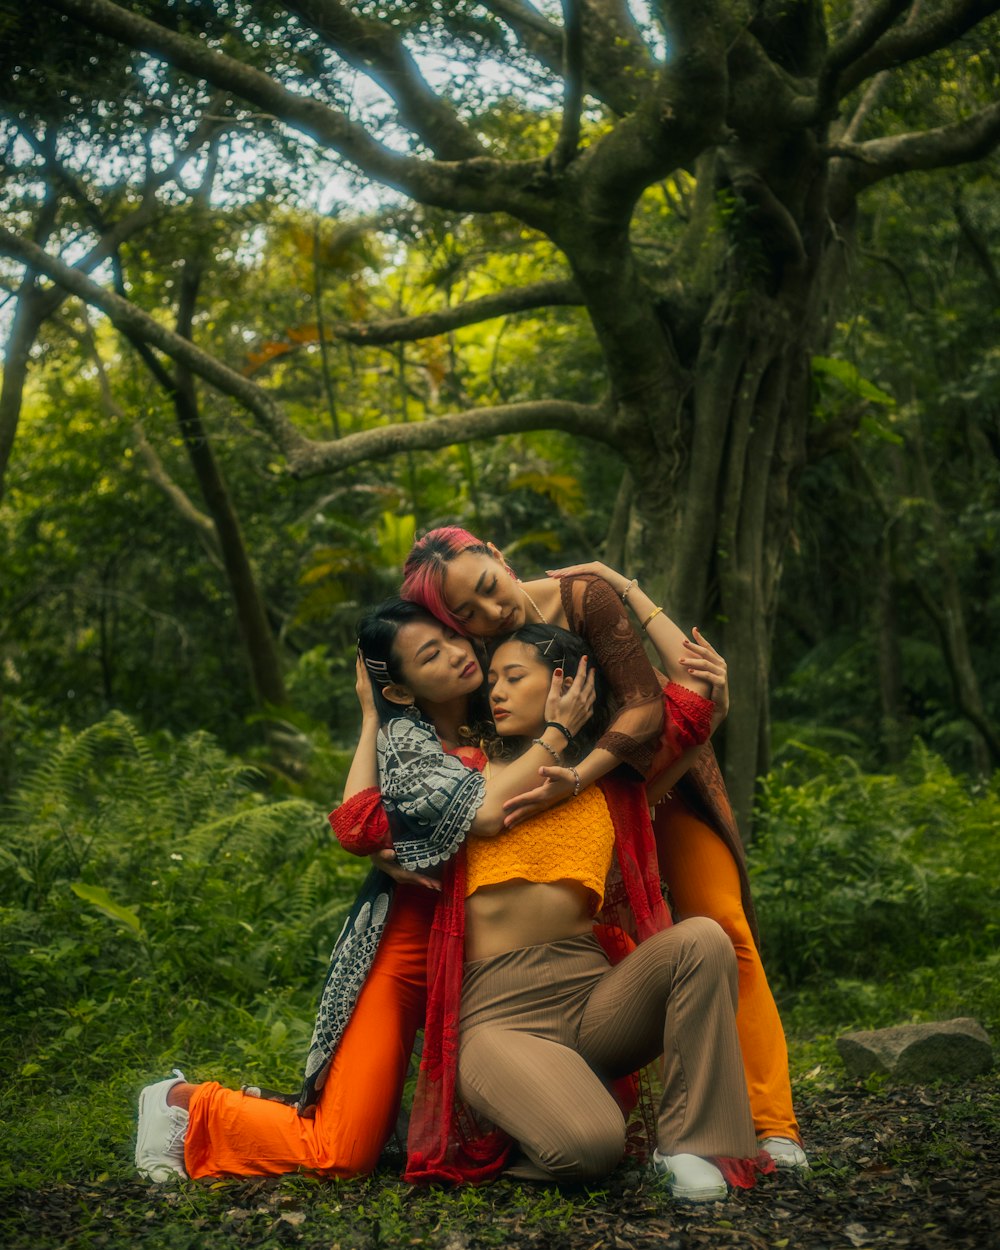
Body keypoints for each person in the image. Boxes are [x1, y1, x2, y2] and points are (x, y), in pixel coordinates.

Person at [134, 600, 595, 1183]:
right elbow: (371, 824)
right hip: (405, 956)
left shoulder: (508, 702)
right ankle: (183, 1103)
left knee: (491, 1133)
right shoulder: (407, 744)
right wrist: (373, 719)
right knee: (344, 1153)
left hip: (494, 961)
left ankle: (284, 1107)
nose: (457, 653)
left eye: (452, 638)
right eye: (431, 654)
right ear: (402, 690)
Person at [400, 528, 806, 1170]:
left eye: (486, 588)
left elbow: (659, 706)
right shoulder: (468, 765)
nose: (487, 614)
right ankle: (541, 1108)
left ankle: (747, 1132)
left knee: (716, 932)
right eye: (465, 615)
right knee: (589, 1148)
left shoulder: (581, 600)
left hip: (623, 780)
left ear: (500, 558)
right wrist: (386, 836)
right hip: (500, 1004)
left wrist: (629, 596)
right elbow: (411, 788)